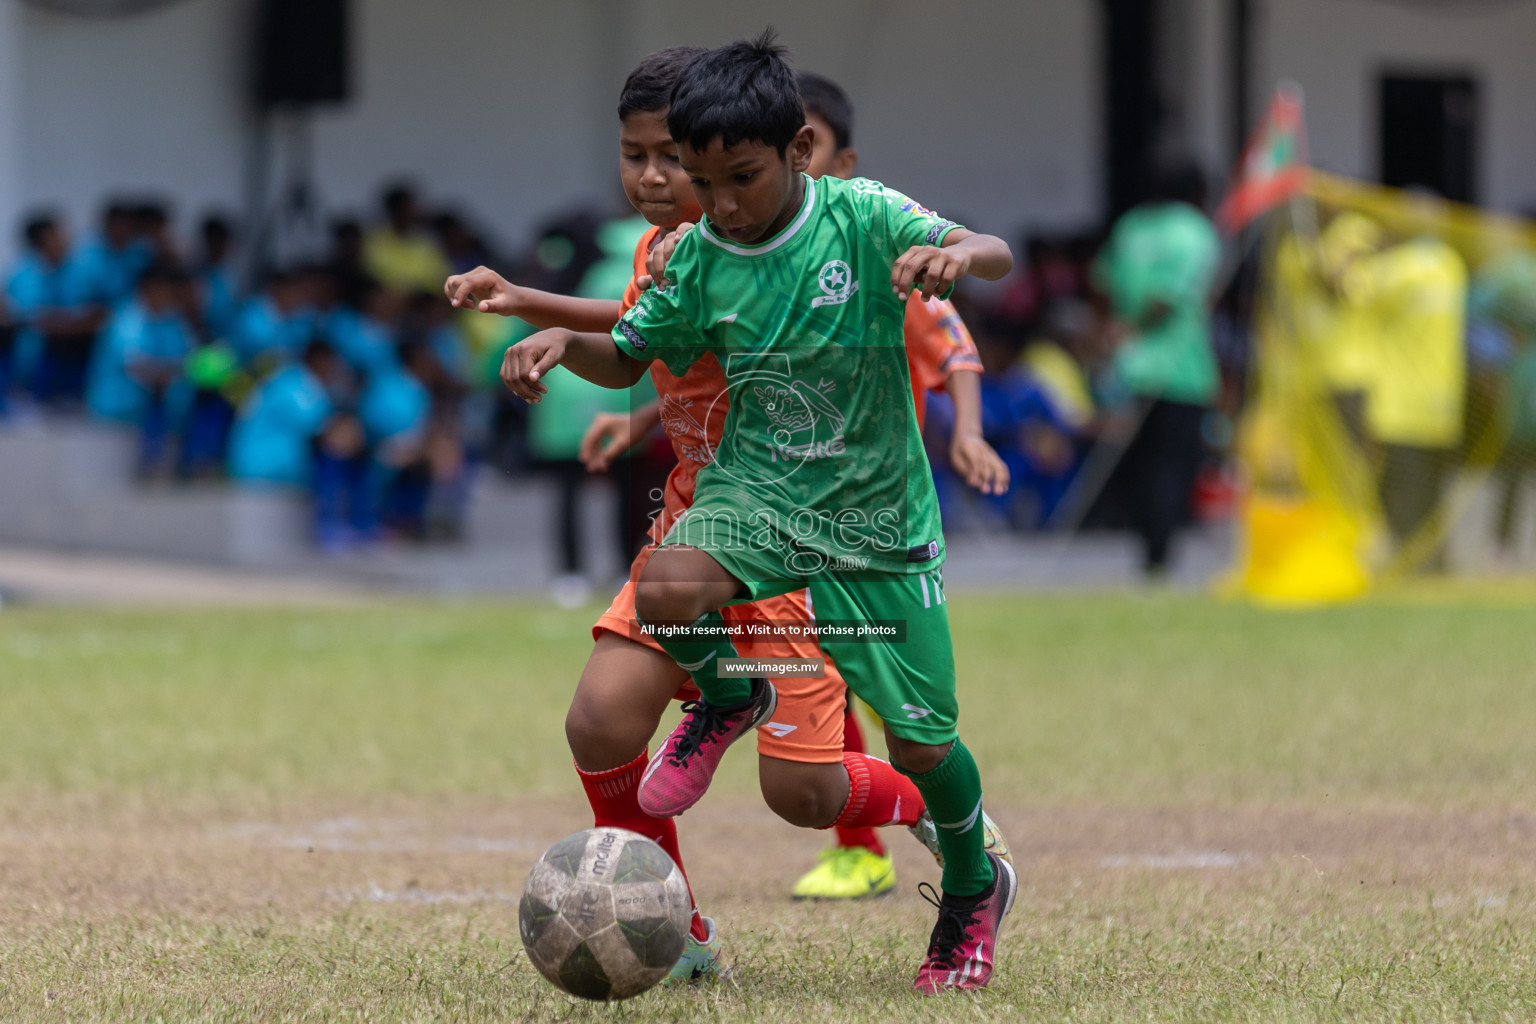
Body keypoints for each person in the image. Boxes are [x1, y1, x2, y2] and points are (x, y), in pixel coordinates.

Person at [448, 46, 1010, 988]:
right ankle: (716, 743)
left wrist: (956, 255)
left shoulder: (862, 218)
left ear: (794, 152)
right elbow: (634, 349)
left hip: (873, 524)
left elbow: (981, 261)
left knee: (869, 763)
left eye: (721, 174)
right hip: (749, 505)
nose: (701, 194)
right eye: (665, 166)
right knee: (642, 638)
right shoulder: (694, 251)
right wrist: (546, 330)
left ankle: (966, 872)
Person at [1092, 163, 1221, 576]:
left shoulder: (1131, 226)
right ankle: (1159, 557)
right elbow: (1170, 297)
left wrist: (1117, 329)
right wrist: (1137, 326)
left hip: (1129, 366)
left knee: (1140, 462)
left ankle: (1144, 548)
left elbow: (1101, 280)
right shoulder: (1194, 230)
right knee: (1173, 465)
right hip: (1180, 367)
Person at [85, 262, 196, 475]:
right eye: (167, 292)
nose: (171, 298)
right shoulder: (127, 319)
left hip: (158, 406)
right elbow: (137, 367)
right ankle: (152, 467)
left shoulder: (172, 319)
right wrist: (175, 370)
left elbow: (188, 359)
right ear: (149, 289)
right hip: (119, 407)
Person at [6, 213, 102, 407]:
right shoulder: (22, 275)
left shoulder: (77, 270)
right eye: (57, 234)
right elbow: (30, 318)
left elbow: (96, 311)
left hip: (71, 356)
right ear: (40, 241)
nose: (64, 238)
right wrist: (73, 322)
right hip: (30, 358)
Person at [363, 183, 451, 297]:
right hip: (388, 299)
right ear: (395, 210)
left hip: (424, 300)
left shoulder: (425, 240)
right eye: (408, 208)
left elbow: (440, 274)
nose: (414, 212)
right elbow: (375, 273)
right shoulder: (375, 239)